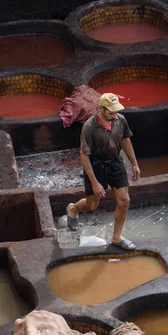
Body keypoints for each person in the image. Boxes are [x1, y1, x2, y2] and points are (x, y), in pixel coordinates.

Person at [66, 93, 140, 250]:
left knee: (124, 201)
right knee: (92, 205)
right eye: (111, 112)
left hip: (115, 163)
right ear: (101, 109)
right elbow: (84, 155)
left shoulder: (120, 120)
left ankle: (117, 237)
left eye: (116, 111)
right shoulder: (89, 127)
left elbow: (126, 139)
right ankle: (73, 208)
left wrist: (134, 163)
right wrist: (95, 183)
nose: (114, 115)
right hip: (96, 165)